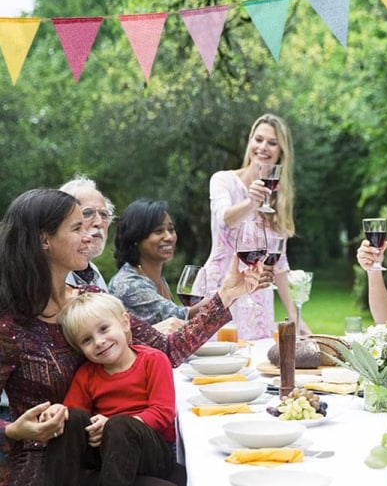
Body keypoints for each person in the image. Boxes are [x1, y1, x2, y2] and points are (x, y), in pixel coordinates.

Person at [0, 188, 267, 486]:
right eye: (78, 228)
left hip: (115, 452)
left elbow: (167, 350)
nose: (90, 235)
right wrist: (13, 431)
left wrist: (227, 295)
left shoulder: (92, 299)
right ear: (44, 240)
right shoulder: (9, 325)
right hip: (44, 465)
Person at [44, 292, 176, 485]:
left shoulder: (153, 360)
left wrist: (111, 425)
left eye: (104, 329)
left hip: (151, 450)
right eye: (87, 340)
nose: (99, 342)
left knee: (120, 425)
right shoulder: (87, 373)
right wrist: (58, 412)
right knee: (71, 418)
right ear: (79, 348)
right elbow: (74, 416)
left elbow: (163, 412)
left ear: (124, 323)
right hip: (106, 451)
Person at [199, 113, 310, 339]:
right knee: (219, 365)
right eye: (258, 139)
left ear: (281, 151)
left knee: (257, 365)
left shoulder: (280, 199)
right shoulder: (224, 181)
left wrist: (295, 317)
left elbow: (279, 265)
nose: (263, 147)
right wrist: (252, 203)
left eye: (272, 142)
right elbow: (224, 218)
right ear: (250, 142)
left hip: (259, 297)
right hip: (221, 291)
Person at [108, 199, 203, 328]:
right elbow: (181, 316)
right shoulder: (128, 284)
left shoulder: (156, 277)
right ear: (135, 238)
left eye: (171, 229)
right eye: (158, 231)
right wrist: (225, 294)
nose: (169, 237)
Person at [60, 175, 115, 291]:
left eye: (104, 214)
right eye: (87, 213)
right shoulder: (49, 275)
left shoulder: (93, 273)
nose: (99, 222)